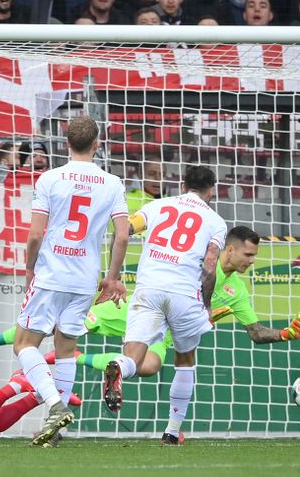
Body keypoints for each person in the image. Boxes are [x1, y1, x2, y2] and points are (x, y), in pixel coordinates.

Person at [0, 227, 300, 380]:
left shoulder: (238, 291)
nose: (251, 261)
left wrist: (284, 334)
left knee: (151, 367)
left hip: (163, 334)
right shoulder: (194, 259)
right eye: (248, 254)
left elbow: (256, 332)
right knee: (52, 326)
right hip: (132, 312)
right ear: (230, 249)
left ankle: (76, 358)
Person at [13, 115, 129, 447]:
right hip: (84, 279)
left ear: (65, 143)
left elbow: (36, 234)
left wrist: (29, 268)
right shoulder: (112, 183)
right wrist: (112, 278)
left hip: (52, 274)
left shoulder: (50, 178)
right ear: (97, 144)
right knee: (65, 350)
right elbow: (122, 237)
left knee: (23, 344)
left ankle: (54, 405)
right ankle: (57, 432)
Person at [102, 165, 226, 447]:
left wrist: (114, 276)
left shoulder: (156, 205)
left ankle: (118, 367)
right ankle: (171, 432)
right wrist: (205, 306)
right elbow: (209, 265)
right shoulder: (216, 221)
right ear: (211, 190)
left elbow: (124, 230)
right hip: (184, 294)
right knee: (184, 361)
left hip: (149, 288)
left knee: (134, 355)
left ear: (183, 185)